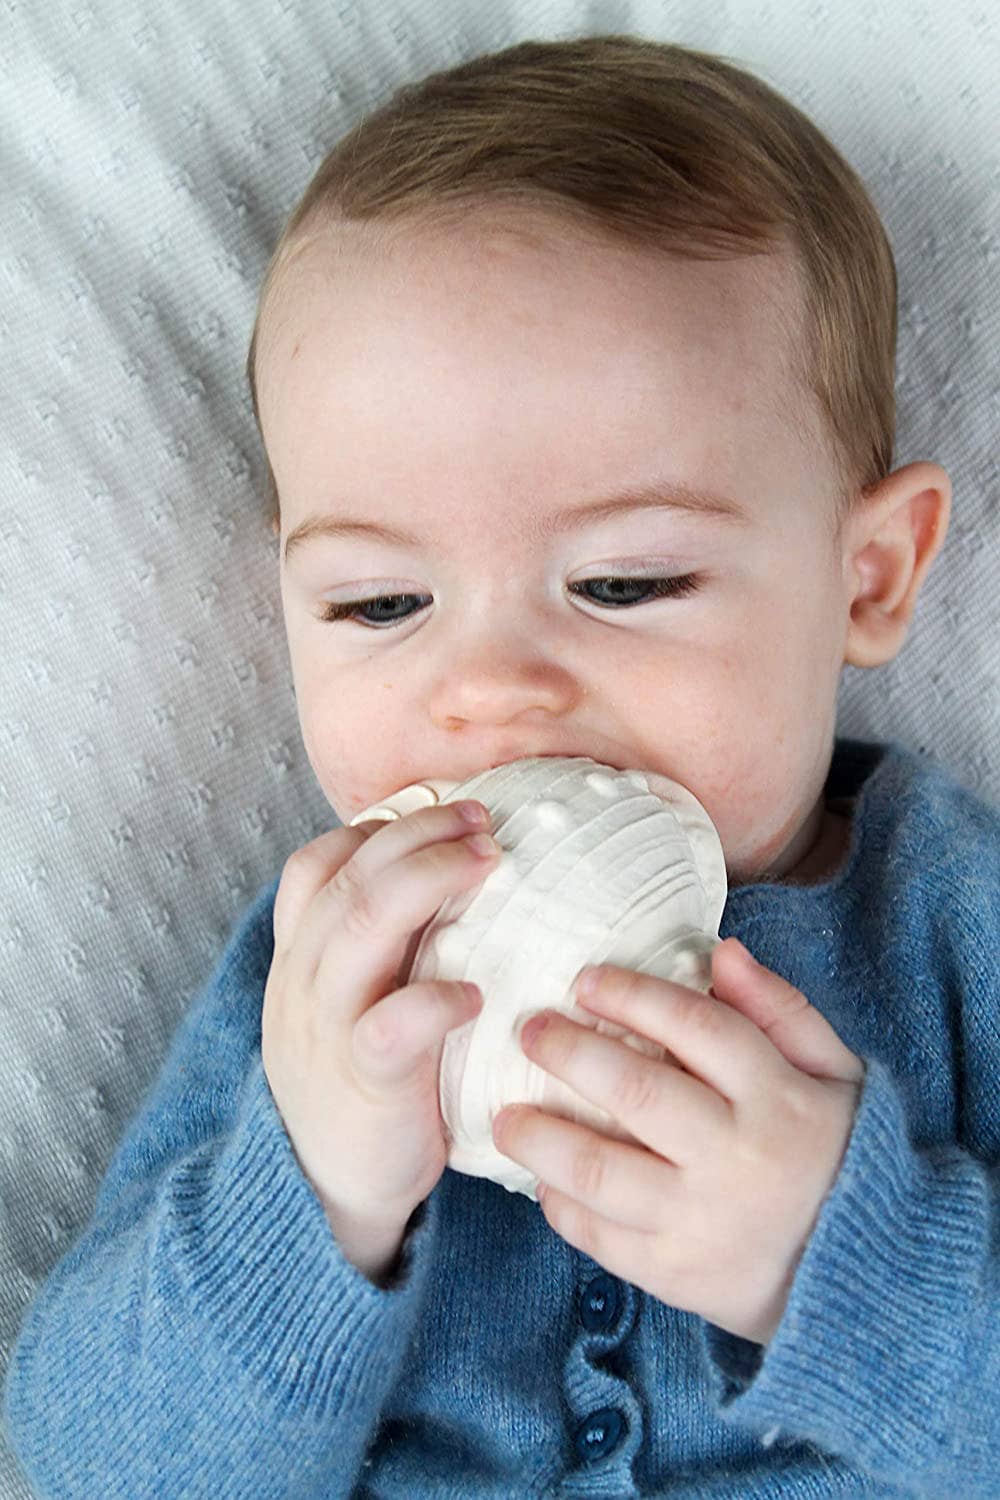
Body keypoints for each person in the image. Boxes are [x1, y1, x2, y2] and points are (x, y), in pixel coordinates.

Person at [5, 32, 998, 1499]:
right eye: (380, 605)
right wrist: (318, 1196)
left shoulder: (944, 921)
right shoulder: (334, 979)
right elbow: (83, 1464)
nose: (489, 690)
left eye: (624, 583)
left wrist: (839, 1264)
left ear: (867, 577)